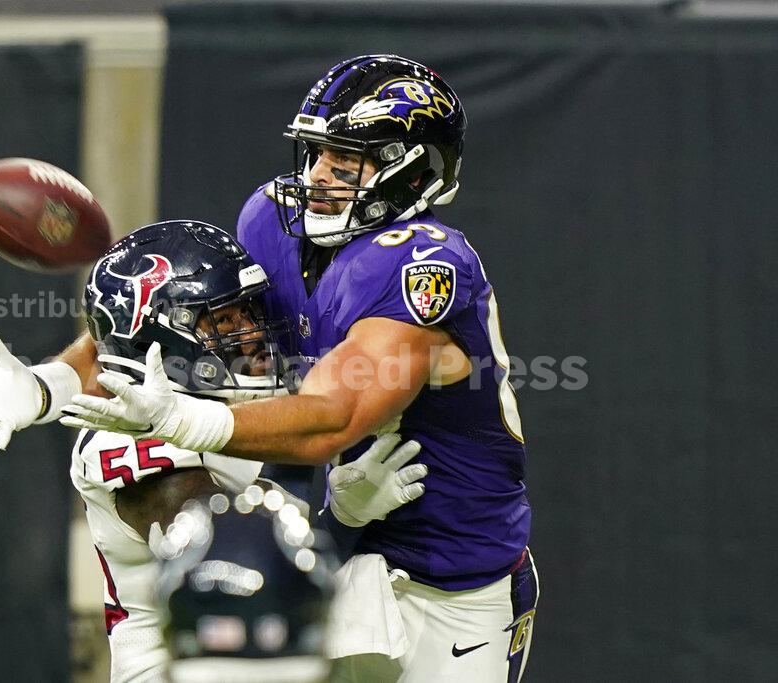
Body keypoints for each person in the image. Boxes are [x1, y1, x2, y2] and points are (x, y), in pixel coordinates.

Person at [60, 55, 539, 682]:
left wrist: (183, 418)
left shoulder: (421, 263)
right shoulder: (272, 226)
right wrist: (50, 383)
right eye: (314, 155)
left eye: (343, 163)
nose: (315, 178)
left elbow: (332, 418)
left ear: (412, 168)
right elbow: (148, 315)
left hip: (450, 577)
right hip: (293, 578)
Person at [0, 220, 426, 682]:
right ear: (160, 339)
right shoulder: (130, 439)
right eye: (222, 320)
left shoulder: (212, 391)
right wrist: (344, 519)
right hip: (190, 662)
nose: (252, 332)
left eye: (248, 310)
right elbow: (237, 575)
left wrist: (53, 381)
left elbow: (123, 329)